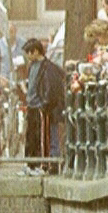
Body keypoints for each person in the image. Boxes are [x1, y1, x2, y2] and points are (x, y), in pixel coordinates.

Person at [20, 38, 66, 173]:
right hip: (32, 106)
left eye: (29, 53)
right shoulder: (32, 66)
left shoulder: (47, 68)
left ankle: (45, 165)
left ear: (35, 51)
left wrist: (44, 104)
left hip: (41, 107)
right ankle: (32, 164)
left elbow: (51, 89)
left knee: (44, 137)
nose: (28, 56)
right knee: (32, 137)